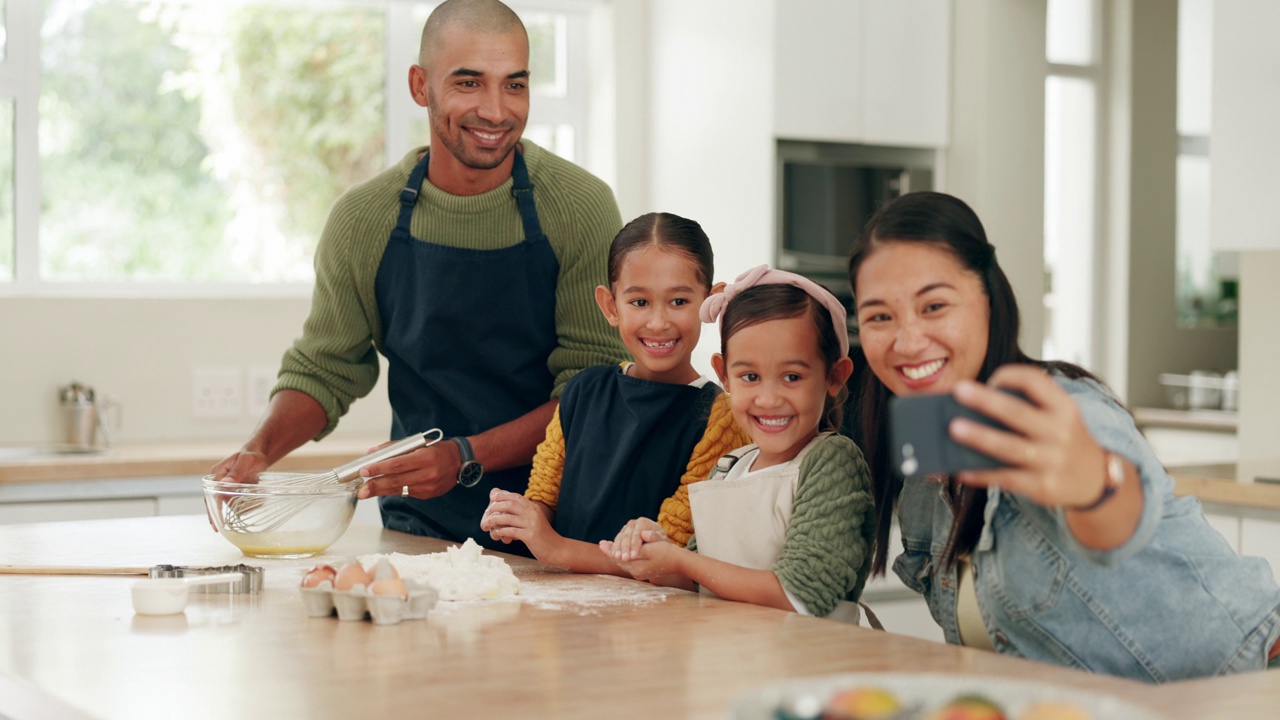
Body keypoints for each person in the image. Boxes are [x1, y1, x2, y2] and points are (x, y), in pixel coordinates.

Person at [211, 0, 628, 553]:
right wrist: (260, 451)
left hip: (560, 528)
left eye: (515, 85)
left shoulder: (579, 208)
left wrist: (466, 457)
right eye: (469, 83)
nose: (496, 110)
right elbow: (326, 368)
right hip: (420, 531)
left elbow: (590, 392)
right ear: (419, 85)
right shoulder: (364, 221)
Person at [848, 190, 1280, 680]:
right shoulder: (924, 464)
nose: (906, 340)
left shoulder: (1066, 408)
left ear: (989, 299)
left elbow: (1116, 514)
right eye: (880, 316)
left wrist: (1095, 487)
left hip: (1249, 685)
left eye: (934, 306)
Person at [479, 212, 751, 573]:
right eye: (639, 302)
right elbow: (544, 499)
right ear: (610, 306)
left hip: (655, 623)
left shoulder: (722, 420)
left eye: (679, 302)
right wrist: (521, 517)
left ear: (710, 303)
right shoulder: (580, 392)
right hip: (561, 614)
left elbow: (667, 560)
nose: (658, 322)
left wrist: (555, 548)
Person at [603, 266, 876, 622]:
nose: (768, 398)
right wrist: (655, 552)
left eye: (792, 377)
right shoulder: (730, 466)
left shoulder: (831, 461)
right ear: (724, 375)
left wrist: (681, 559)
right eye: (750, 377)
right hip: (730, 663)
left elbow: (801, 596)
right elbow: (695, 579)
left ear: (834, 376)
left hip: (809, 667)